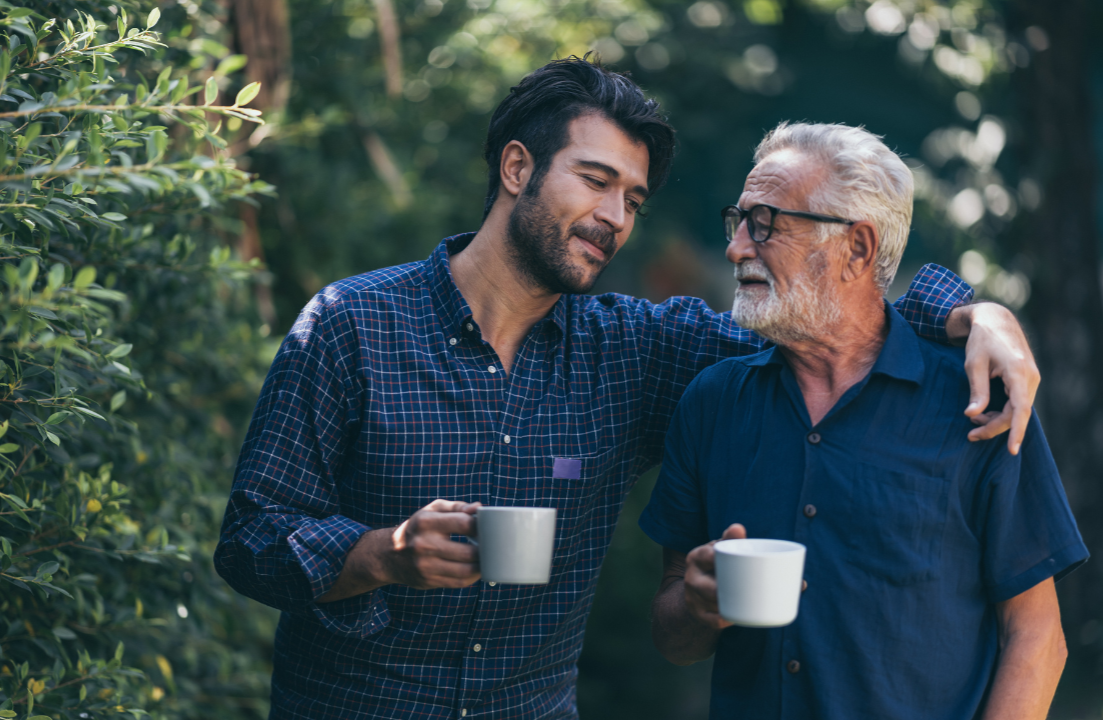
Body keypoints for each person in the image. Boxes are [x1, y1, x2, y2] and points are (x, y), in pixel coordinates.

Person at [214, 58, 1040, 719]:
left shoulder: (635, 351)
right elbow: (250, 538)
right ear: (516, 167)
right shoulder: (355, 324)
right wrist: (380, 556)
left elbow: (829, 322)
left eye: (634, 198)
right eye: (595, 180)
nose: (616, 216)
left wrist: (973, 313)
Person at [641, 122, 1087, 720]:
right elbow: (672, 642)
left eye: (768, 223)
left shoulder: (978, 399)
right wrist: (697, 605)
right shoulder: (712, 401)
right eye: (739, 220)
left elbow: (1037, 640)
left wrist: (989, 314)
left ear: (857, 248)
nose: (737, 247)